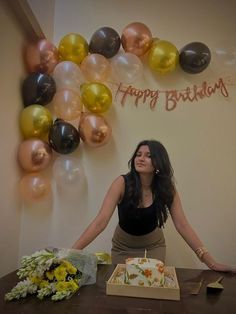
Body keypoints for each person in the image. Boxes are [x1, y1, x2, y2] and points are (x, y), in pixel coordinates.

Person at [72, 139, 236, 272]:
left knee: (150, 292)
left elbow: (183, 225)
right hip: (122, 248)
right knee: (124, 292)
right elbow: (100, 222)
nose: (140, 158)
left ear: (158, 163)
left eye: (148, 156)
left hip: (153, 247)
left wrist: (211, 263)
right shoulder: (121, 183)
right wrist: (71, 253)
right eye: (138, 154)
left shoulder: (167, 188)